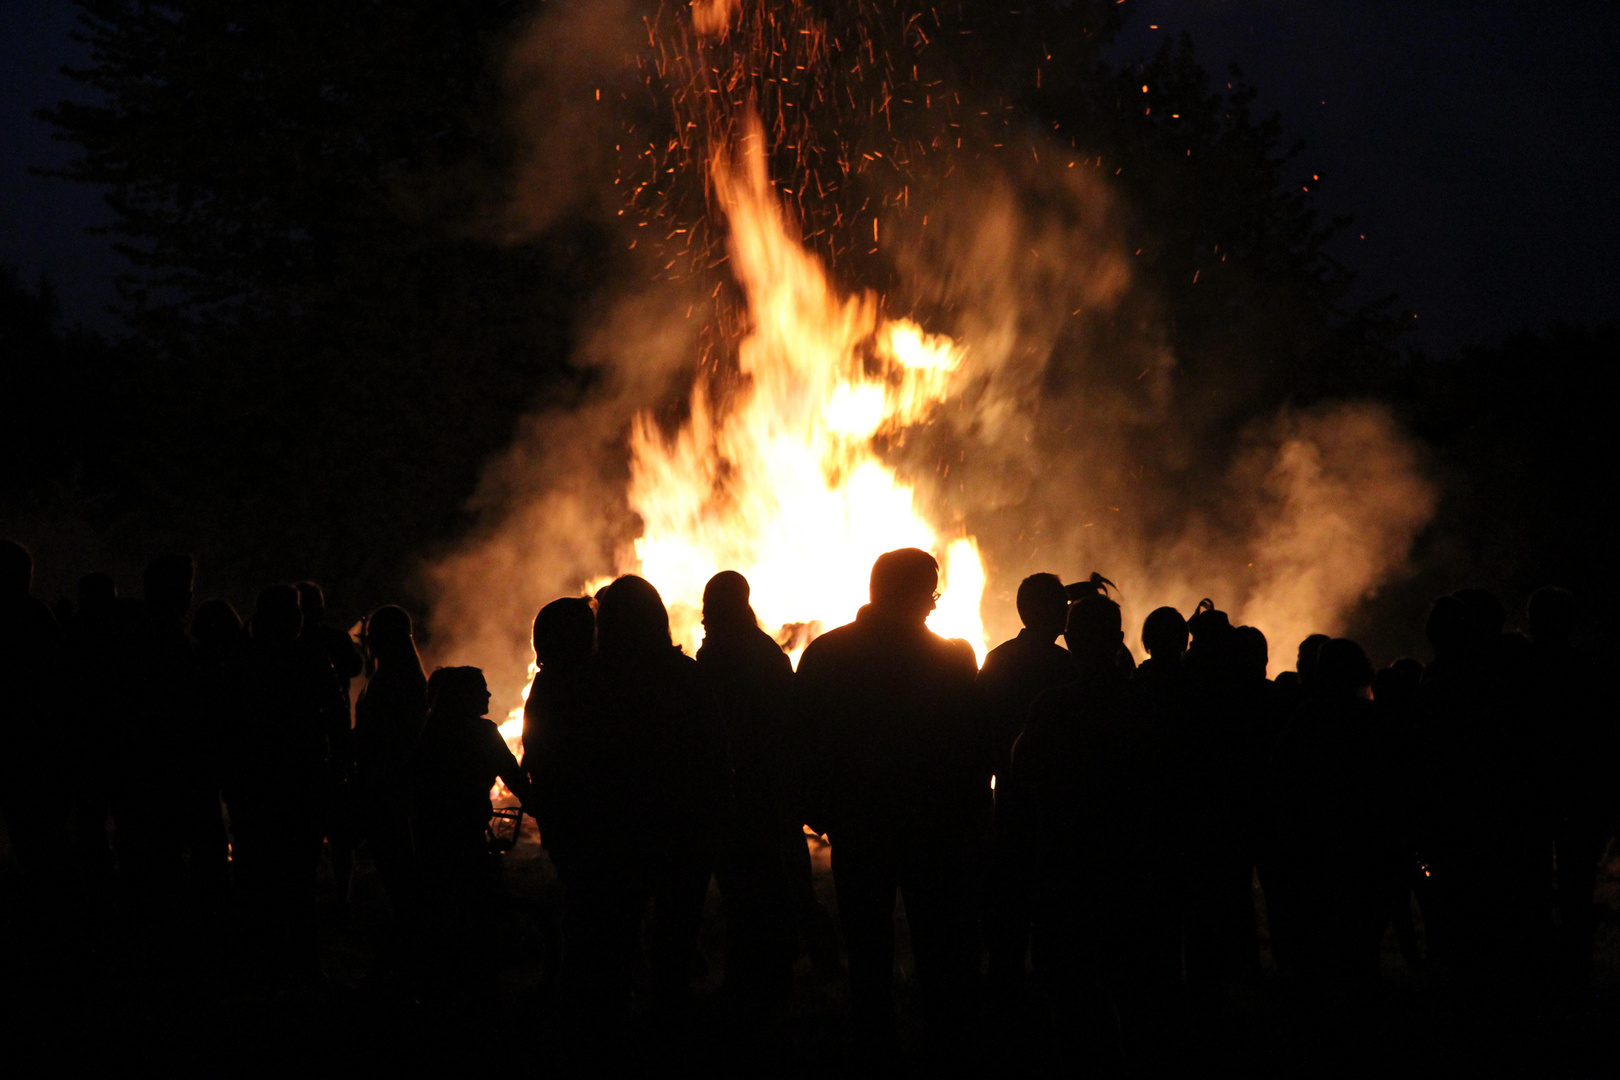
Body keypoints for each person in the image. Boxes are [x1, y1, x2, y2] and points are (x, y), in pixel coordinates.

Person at [794, 548, 987, 1061]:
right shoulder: (953, 658)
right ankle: (947, 1049)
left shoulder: (826, 655)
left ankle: (873, 1049)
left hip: (861, 830)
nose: (933, 604)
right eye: (931, 592)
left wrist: (826, 815)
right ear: (915, 595)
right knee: (941, 953)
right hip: (935, 833)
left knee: (868, 957)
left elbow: (800, 744)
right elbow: (972, 749)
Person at [536, 576, 727, 1050]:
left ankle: (598, 1040)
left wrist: (565, 833)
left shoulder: (585, 683)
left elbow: (556, 761)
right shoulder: (687, 678)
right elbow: (715, 758)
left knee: (605, 948)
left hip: (610, 838)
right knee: (674, 946)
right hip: (678, 835)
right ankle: (667, 1033)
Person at [1014, 593, 1172, 1068]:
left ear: (1073, 643)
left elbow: (1024, 781)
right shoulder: (1148, 704)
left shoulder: (1052, 709)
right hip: (1136, 870)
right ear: (1120, 640)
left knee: (1072, 991)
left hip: (1070, 872)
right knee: (1139, 989)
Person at [223, 584, 348, 981]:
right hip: (299, 781)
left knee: (255, 872)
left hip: (255, 783)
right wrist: (339, 766)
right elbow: (335, 715)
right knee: (298, 878)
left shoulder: (241, 659)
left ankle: (259, 960)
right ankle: (299, 965)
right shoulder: (308, 657)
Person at [695, 571, 799, 1013]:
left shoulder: (715, 654)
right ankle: (773, 978)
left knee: (743, 891)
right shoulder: (766, 651)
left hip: (735, 787)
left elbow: (706, 726)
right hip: (765, 784)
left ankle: (748, 983)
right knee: (766, 886)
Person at [974, 572, 1074, 1001]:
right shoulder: (1066, 669)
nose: (1066, 614)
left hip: (1011, 805)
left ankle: (1006, 1001)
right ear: (1044, 612)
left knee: (1010, 915)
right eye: (1061, 606)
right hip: (1061, 812)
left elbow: (977, 734)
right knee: (1055, 914)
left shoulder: (998, 660)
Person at [410, 666, 533, 1002]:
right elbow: (516, 780)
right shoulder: (482, 733)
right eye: (482, 689)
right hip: (465, 837)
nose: (489, 695)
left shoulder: (429, 730)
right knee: (478, 911)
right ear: (464, 696)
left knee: (436, 912)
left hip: (428, 835)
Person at [353, 605, 429, 942]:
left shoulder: (394, 680)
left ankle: (407, 951)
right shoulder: (398, 675)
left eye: (372, 638)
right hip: (390, 784)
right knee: (400, 876)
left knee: (400, 875)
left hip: (389, 787)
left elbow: (383, 736)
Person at [0, 540, 70, 895]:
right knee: (37, 839)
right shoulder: (36, 618)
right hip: (33, 748)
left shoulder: (31, 617)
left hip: (24, 746)